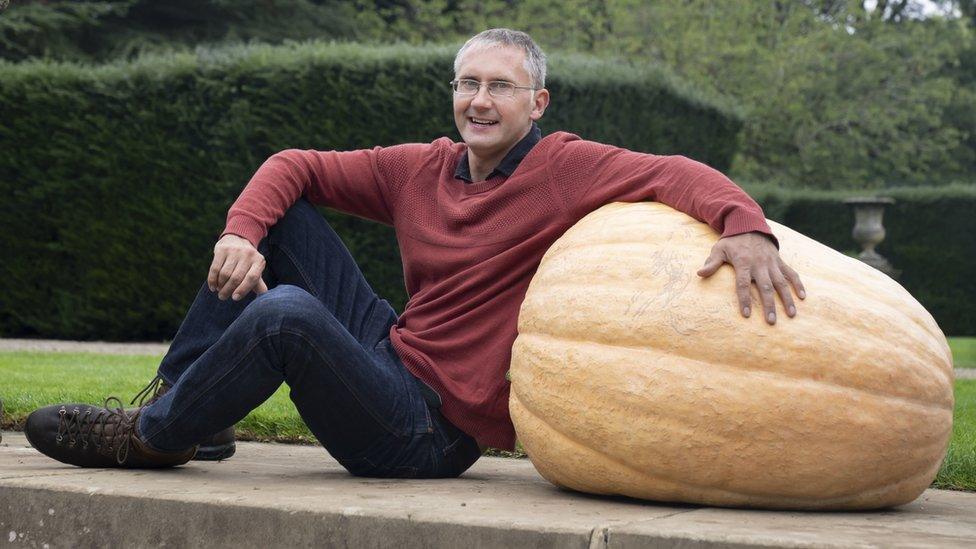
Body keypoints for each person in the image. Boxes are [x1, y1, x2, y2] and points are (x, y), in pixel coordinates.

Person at [25, 28, 804, 474]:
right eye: (468, 83)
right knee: (279, 222)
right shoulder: (422, 167)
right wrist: (240, 231)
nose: (480, 100)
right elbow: (294, 163)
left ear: (537, 103)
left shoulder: (564, 168)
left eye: (500, 87)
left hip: (427, 432)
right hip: (389, 355)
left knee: (288, 313)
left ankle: (152, 439)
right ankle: (190, 404)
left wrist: (744, 224)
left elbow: (671, 172)